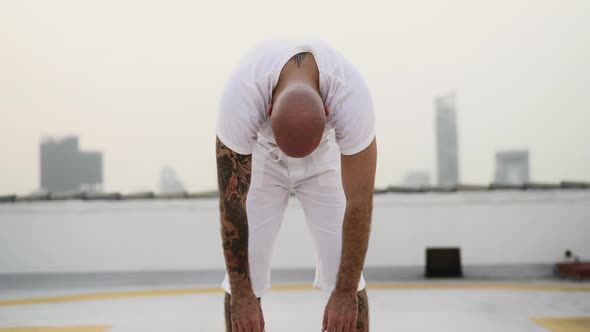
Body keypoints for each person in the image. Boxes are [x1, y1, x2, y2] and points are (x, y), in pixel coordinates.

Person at [216, 39, 377, 332]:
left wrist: (344, 292)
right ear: (268, 107)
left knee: (345, 270)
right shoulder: (241, 95)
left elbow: (360, 201)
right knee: (245, 272)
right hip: (263, 152)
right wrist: (242, 295)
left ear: (328, 111)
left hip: (323, 154)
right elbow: (231, 202)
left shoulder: (351, 99)